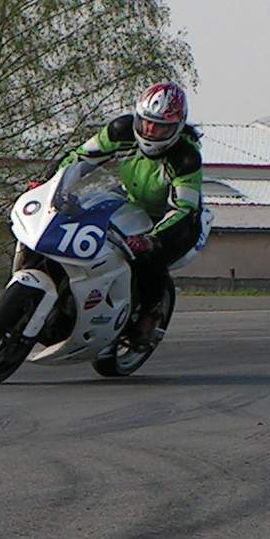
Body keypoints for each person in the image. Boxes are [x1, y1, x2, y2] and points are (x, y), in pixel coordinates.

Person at [56, 82, 204, 344]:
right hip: (132, 202)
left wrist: (151, 239)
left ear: (177, 128)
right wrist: (51, 186)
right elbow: (80, 158)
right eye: (146, 122)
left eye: (160, 127)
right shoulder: (120, 130)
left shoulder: (186, 158)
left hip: (176, 220)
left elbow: (184, 208)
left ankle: (150, 313)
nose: (150, 131)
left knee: (149, 256)